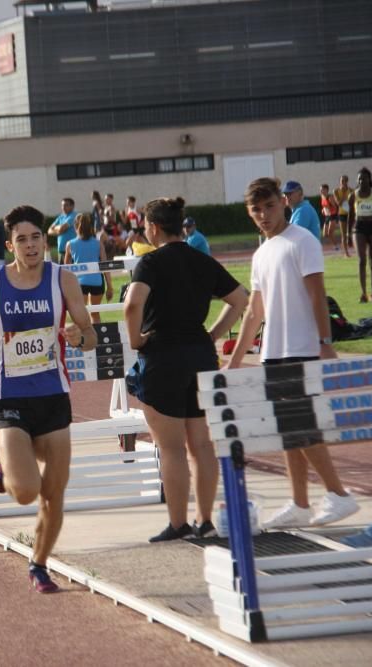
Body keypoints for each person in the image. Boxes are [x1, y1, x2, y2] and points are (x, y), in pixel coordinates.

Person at [0, 204, 98, 593]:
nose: (30, 246)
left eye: (36, 238)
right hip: (8, 400)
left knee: (53, 493)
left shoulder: (64, 280)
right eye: (22, 240)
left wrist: (80, 337)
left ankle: (39, 564)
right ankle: (1, 461)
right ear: (9, 245)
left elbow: (89, 335)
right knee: (26, 491)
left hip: (53, 396)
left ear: (46, 240)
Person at [228, 177, 359, 528]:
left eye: (269, 206)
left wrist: (324, 342)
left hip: (303, 347)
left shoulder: (303, 241)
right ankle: (300, 503)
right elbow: (255, 312)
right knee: (288, 430)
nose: (264, 214)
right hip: (274, 350)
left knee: (301, 426)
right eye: (256, 209)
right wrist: (237, 358)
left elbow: (318, 294)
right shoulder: (261, 253)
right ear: (249, 212)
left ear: (283, 203)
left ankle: (338, 494)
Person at [123, 198, 248, 541]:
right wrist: (212, 335)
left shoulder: (149, 262)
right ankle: (204, 520)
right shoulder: (201, 259)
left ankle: (178, 523)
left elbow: (132, 303)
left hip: (162, 356)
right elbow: (240, 299)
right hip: (199, 356)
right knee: (202, 445)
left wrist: (136, 340)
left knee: (172, 448)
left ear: (153, 228)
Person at [63, 213, 113, 321]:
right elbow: (105, 267)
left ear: (75, 226)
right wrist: (110, 287)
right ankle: (98, 336)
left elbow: (66, 270)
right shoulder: (98, 244)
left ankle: (83, 337)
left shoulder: (70, 244)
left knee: (81, 315)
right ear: (91, 226)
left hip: (79, 283)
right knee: (95, 314)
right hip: (97, 282)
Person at [348, 168, 372, 303]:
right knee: (361, 260)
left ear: (369, 179)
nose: (361, 181)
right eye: (359, 179)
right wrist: (348, 234)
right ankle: (363, 293)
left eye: (364, 178)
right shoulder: (353, 195)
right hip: (359, 228)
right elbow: (350, 217)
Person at [45, 198, 77, 263]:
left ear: (72, 206)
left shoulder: (73, 216)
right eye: (62, 205)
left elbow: (62, 228)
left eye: (66, 205)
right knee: (62, 271)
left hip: (71, 250)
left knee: (71, 271)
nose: (63, 207)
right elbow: (49, 231)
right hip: (61, 250)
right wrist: (59, 229)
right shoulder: (61, 217)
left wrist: (56, 228)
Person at [319, 184, 343, 253]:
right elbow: (324, 206)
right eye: (320, 190)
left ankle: (336, 247)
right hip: (327, 217)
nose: (321, 191)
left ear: (326, 190)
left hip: (333, 216)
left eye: (322, 190)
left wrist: (335, 215)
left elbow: (336, 207)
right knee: (324, 234)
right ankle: (336, 244)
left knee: (330, 233)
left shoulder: (330, 197)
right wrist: (323, 210)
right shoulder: (322, 197)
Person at [334, 175, 354, 252]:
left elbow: (354, 202)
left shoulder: (351, 190)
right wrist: (344, 194)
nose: (343, 182)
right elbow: (339, 203)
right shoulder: (336, 191)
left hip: (351, 213)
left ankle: (356, 249)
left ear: (347, 182)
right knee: (344, 234)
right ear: (340, 182)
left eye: (345, 181)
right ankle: (346, 253)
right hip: (342, 214)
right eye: (342, 181)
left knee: (352, 232)